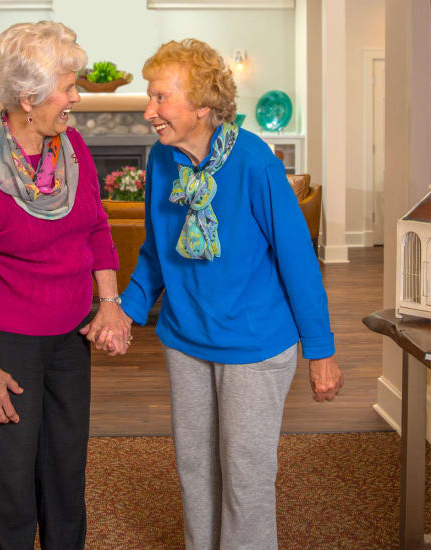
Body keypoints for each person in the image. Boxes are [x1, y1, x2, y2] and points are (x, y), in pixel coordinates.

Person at [117, 39, 344, 550]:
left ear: (201, 106)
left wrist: (321, 350)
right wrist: (124, 311)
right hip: (185, 338)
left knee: (244, 476)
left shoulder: (254, 161)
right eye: (148, 97)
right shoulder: (162, 161)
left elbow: (297, 259)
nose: (148, 111)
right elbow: (157, 250)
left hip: (256, 343)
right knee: (194, 467)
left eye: (160, 98)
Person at [0, 21, 130, 550]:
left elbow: (95, 226)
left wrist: (109, 304)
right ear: (28, 98)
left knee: (66, 476)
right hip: (3, 346)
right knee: (9, 484)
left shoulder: (73, 152)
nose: (75, 97)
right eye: (67, 86)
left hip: (70, 338)